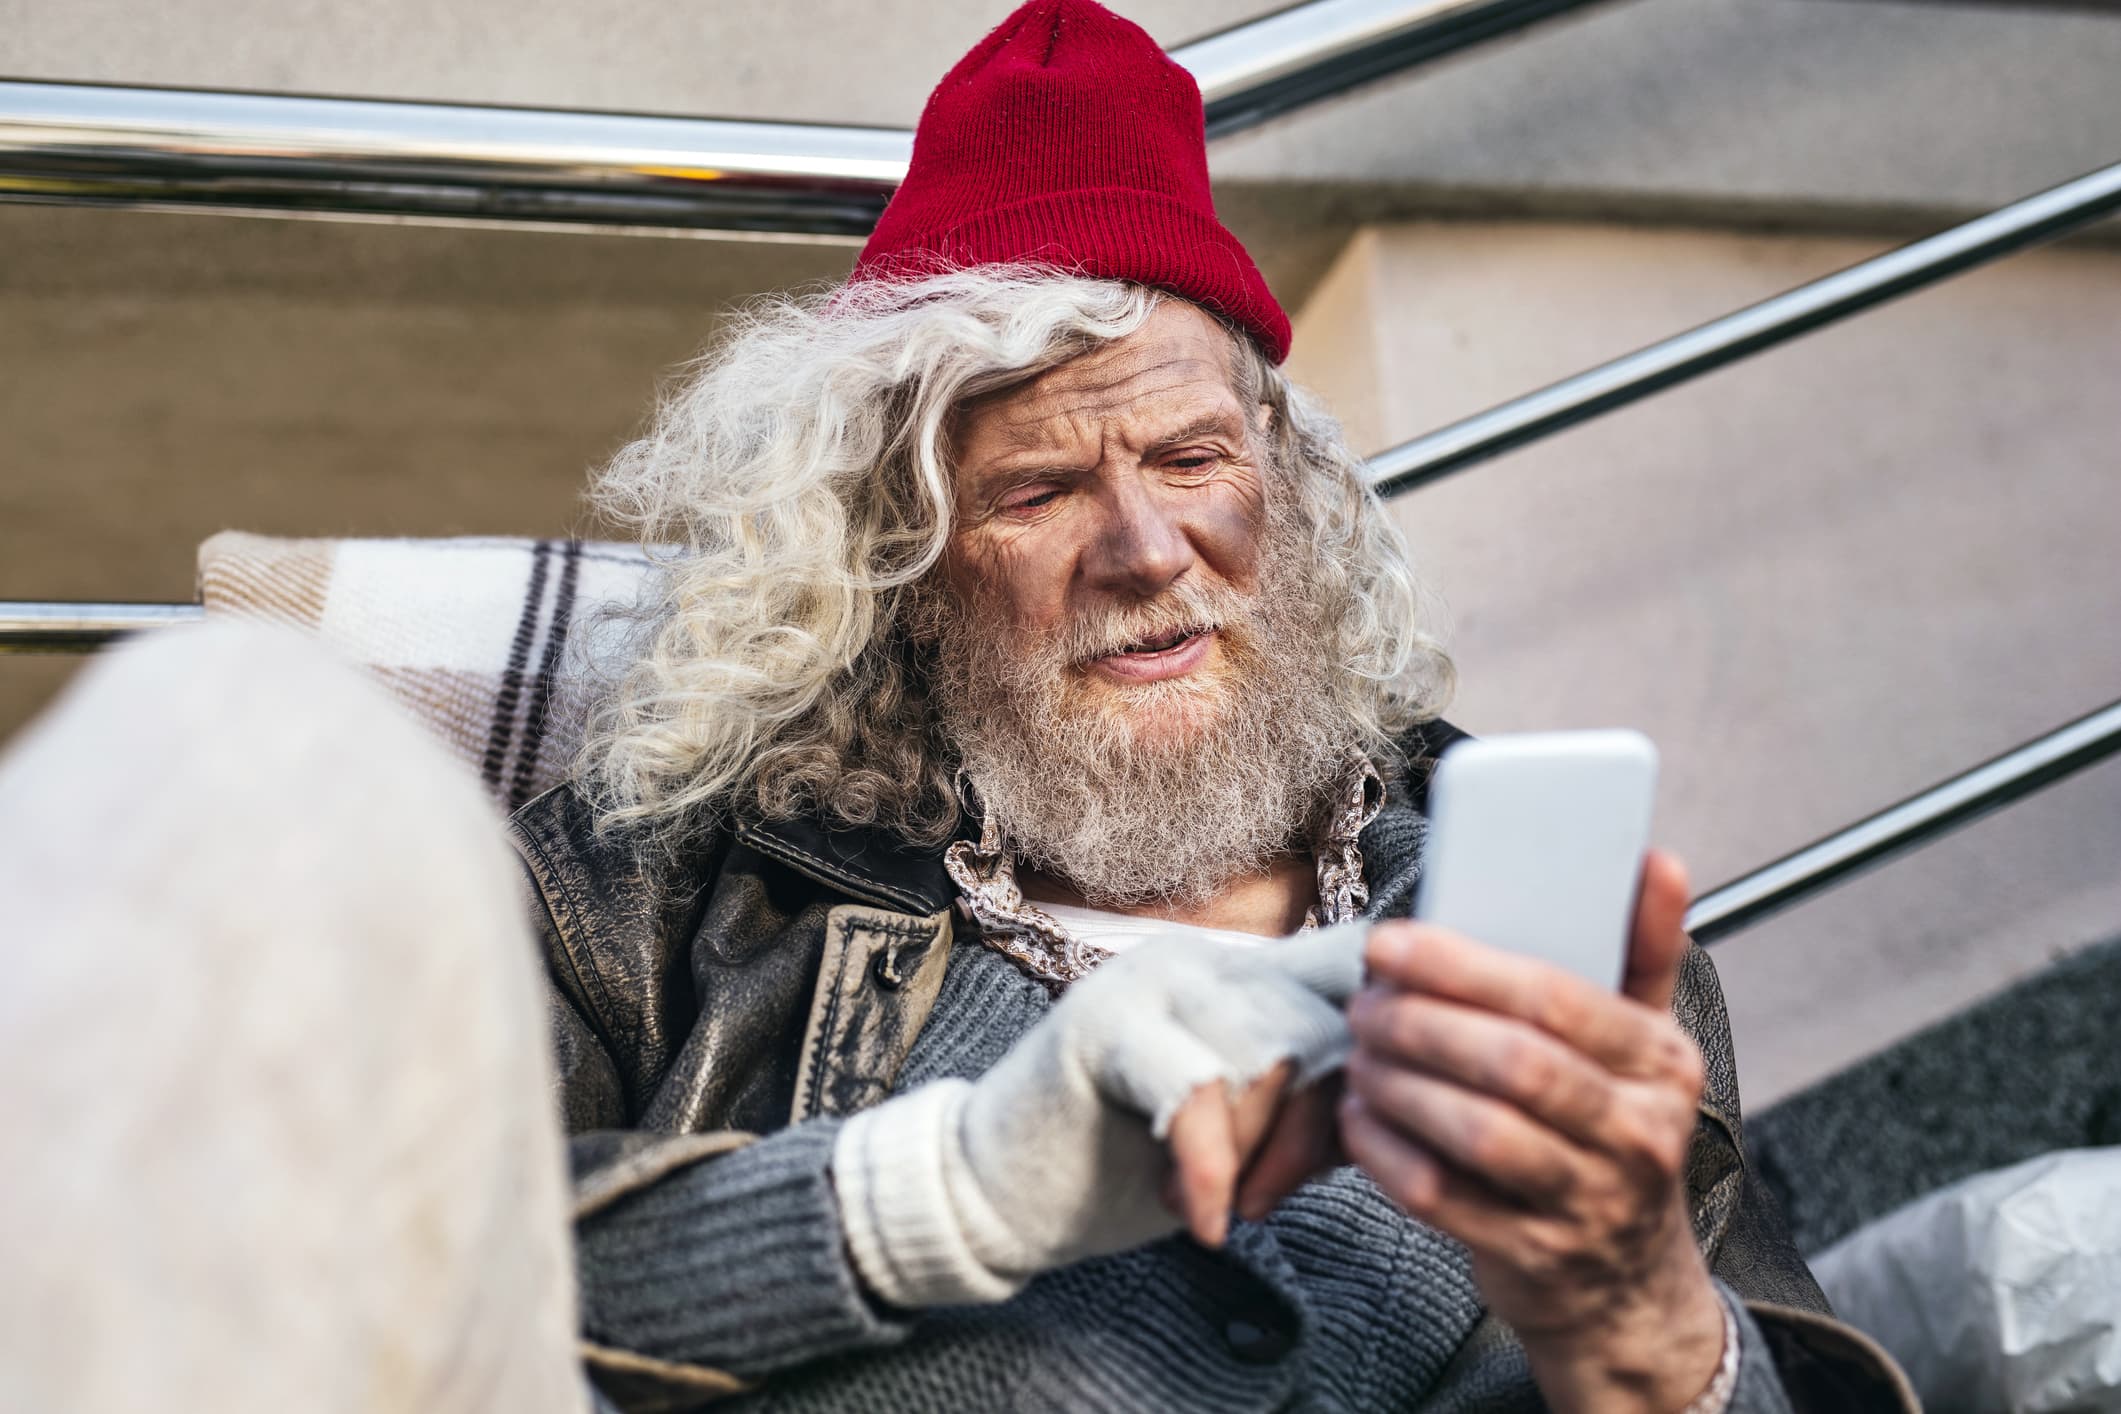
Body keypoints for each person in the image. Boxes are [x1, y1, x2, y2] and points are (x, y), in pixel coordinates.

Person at [519, 2, 1913, 1410]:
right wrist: (950, 1190)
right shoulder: (648, 888)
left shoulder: (1551, 919)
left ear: (1286, 492)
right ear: (903, 562)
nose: (1143, 549)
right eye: (1038, 490)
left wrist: (1642, 1325)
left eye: (1190, 459)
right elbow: (388, 1279)